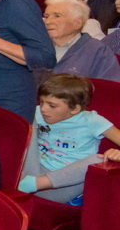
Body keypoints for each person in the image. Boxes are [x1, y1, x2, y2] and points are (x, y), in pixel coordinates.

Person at [19, 74, 120, 203]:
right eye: (41, 102)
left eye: (52, 105)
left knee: (97, 159)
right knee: (27, 125)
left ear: (75, 109)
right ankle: (25, 181)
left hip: (64, 184)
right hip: (33, 172)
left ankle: (34, 183)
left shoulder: (92, 121)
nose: (43, 109)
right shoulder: (37, 112)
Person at [41, 0, 120, 81]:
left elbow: (109, 89)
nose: (48, 21)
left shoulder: (98, 52)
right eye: (46, 16)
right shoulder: (37, 47)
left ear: (77, 23)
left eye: (57, 16)